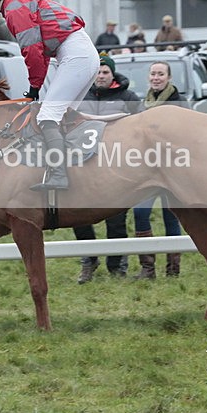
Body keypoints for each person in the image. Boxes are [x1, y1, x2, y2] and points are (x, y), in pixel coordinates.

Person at [0, 0, 98, 191]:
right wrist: (35, 87)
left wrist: (34, 88)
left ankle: (59, 176)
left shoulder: (14, 9)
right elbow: (40, 53)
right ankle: (76, 172)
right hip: (78, 53)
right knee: (62, 118)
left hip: (76, 56)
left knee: (47, 116)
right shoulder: (20, 3)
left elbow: (33, 51)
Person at [73, 54, 141, 283]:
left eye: (105, 72)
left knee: (116, 217)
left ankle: (117, 266)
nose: (100, 76)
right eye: (98, 72)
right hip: (84, 165)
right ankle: (88, 261)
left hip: (117, 165)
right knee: (78, 216)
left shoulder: (128, 97)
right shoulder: (81, 96)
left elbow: (140, 130)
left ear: (112, 75)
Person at [133, 61, 187, 279]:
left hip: (172, 169)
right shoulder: (143, 104)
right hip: (146, 170)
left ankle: (173, 269)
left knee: (171, 216)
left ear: (169, 77)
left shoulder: (179, 103)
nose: (156, 77)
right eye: (153, 74)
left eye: (160, 74)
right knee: (140, 212)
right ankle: (148, 268)